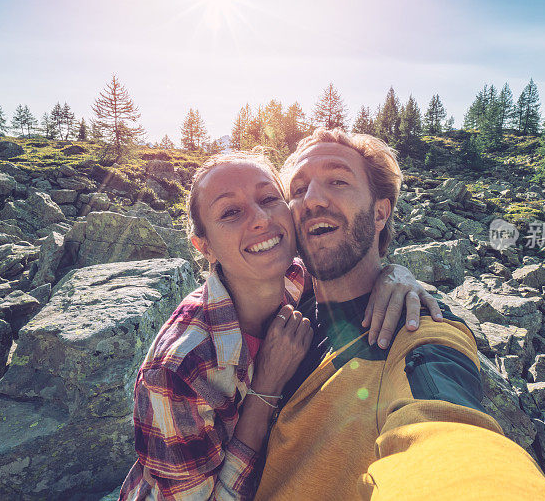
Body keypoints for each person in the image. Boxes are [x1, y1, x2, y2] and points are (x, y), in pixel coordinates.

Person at [254, 128, 545, 500]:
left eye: (338, 181)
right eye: (297, 190)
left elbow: (444, 431)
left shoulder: (414, 329)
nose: (311, 199)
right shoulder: (279, 302)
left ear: (379, 212)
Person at [118, 151, 444, 501]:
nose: (259, 219)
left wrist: (395, 275)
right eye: (231, 212)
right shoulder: (179, 368)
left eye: (269, 199)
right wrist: (265, 390)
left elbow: (350, 264)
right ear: (205, 246)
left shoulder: (296, 276)